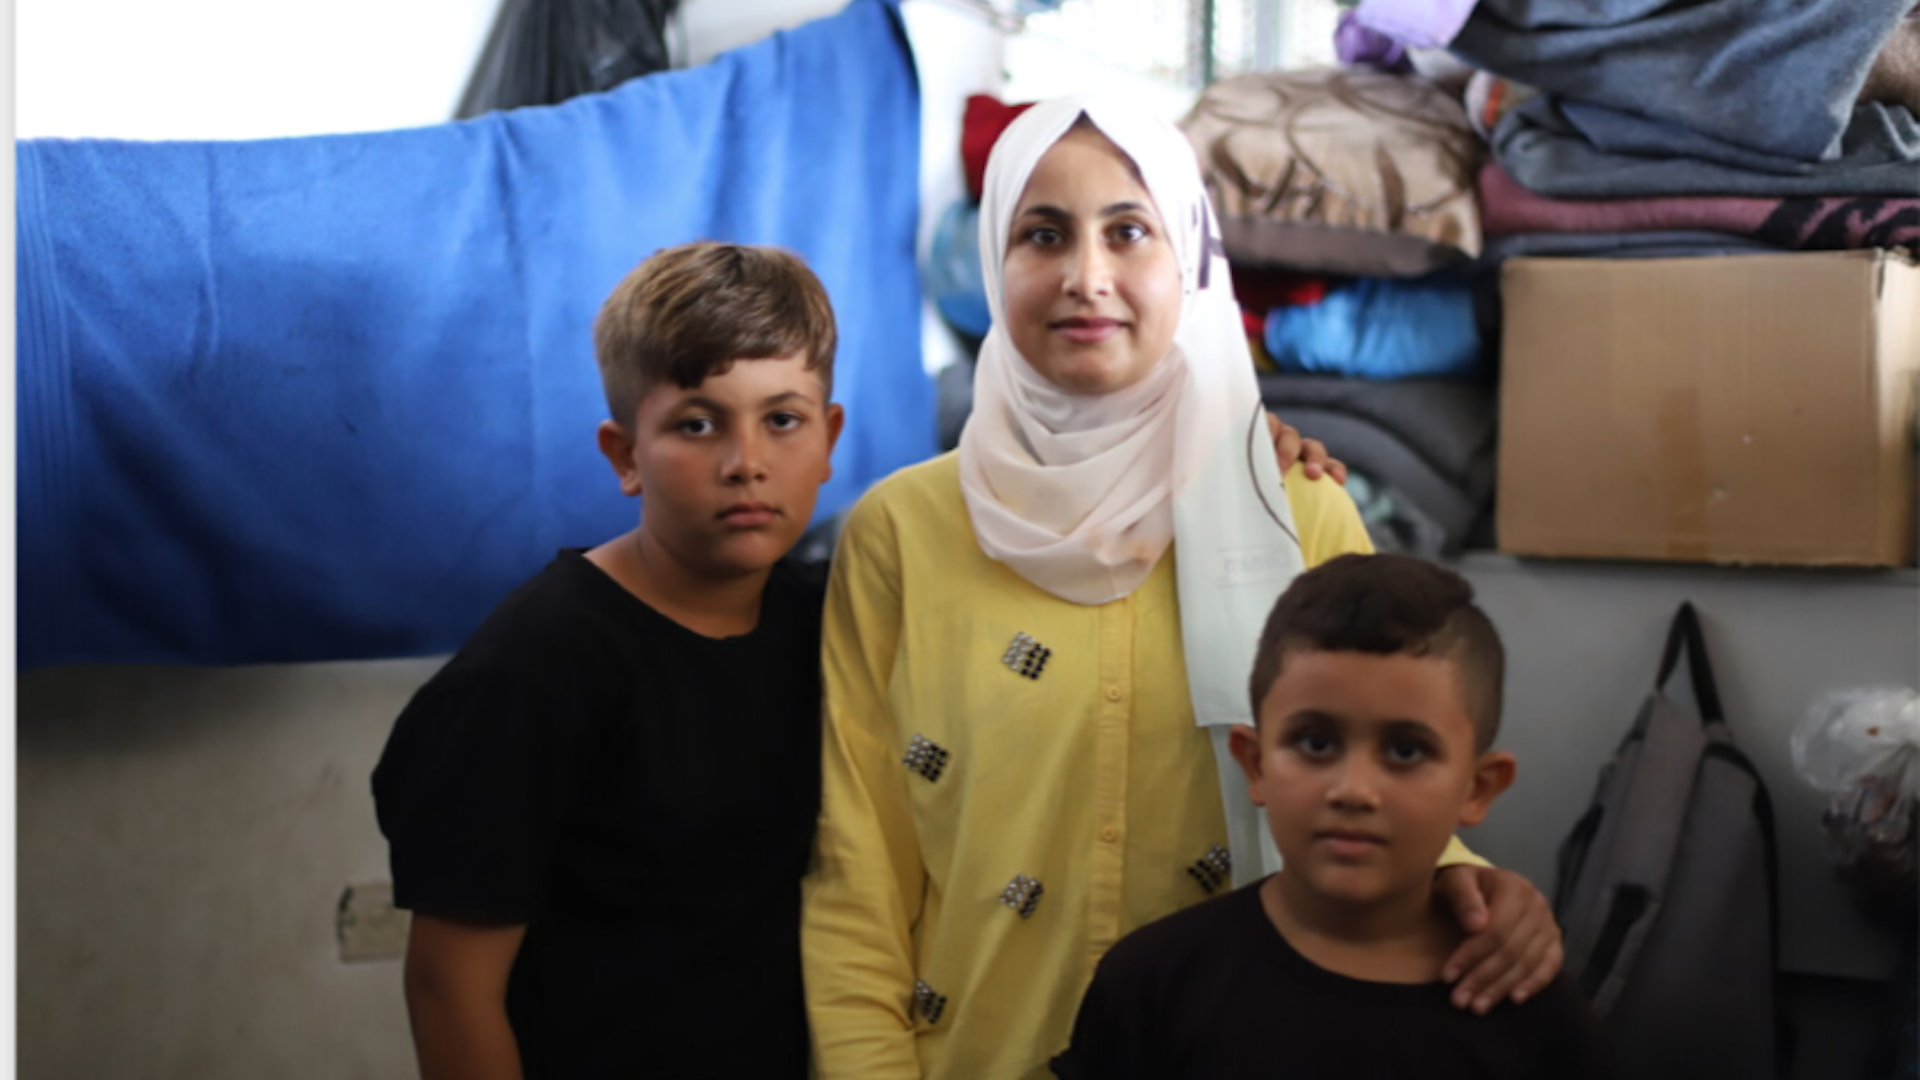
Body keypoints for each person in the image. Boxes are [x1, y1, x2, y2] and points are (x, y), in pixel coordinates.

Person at [800, 95, 1563, 1080]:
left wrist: (1477, 894)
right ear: (993, 258)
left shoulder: (1294, 510)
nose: (1087, 277)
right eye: (1042, 234)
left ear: (1191, 260)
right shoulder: (900, 534)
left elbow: (1376, 771)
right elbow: (858, 866)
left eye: (1129, 232)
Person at [371, 242, 845, 1080]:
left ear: (828, 436)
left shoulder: (832, 624)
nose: (747, 463)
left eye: (782, 419)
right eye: (697, 424)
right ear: (624, 455)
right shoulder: (531, 672)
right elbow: (449, 990)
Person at [1050, 553, 1609, 1079]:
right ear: (1256, 763)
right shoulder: (1155, 982)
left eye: (1406, 751)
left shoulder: (1532, 1013)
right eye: (1316, 743)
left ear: (1478, 787)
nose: (1353, 790)